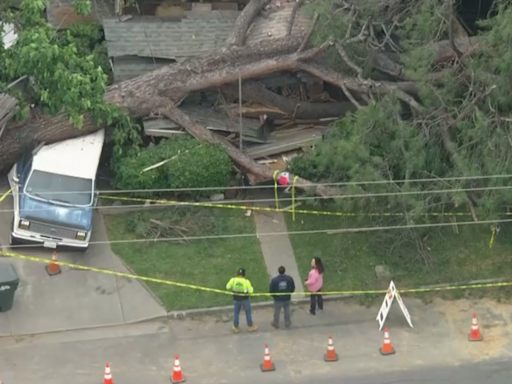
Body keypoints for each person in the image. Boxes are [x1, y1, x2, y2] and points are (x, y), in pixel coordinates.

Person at [226, 268, 258, 333]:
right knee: (248, 312)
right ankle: (250, 326)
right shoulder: (246, 282)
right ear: (244, 274)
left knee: (236, 312)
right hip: (245, 299)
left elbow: (227, 287)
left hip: (236, 299)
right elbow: (251, 291)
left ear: (237, 274)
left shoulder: (233, 280)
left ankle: (236, 327)